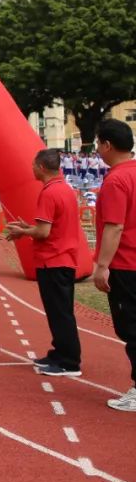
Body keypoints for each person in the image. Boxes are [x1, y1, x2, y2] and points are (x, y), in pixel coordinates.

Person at [4, 149, 82, 377]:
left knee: (60, 312)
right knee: (59, 311)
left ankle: (69, 361)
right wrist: (28, 228)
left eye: (33, 165)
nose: (31, 169)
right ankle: (60, 353)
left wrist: (23, 232)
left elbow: (43, 231)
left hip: (54, 260)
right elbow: (49, 228)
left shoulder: (49, 193)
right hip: (62, 258)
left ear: (41, 167)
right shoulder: (64, 189)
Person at [91, 119, 136, 411]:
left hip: (126, 264)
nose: (97, 149)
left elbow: (115, 226)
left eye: (98, 143)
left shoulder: (116, 180)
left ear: (107, 145)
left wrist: (102, 265)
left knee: (130, 328)